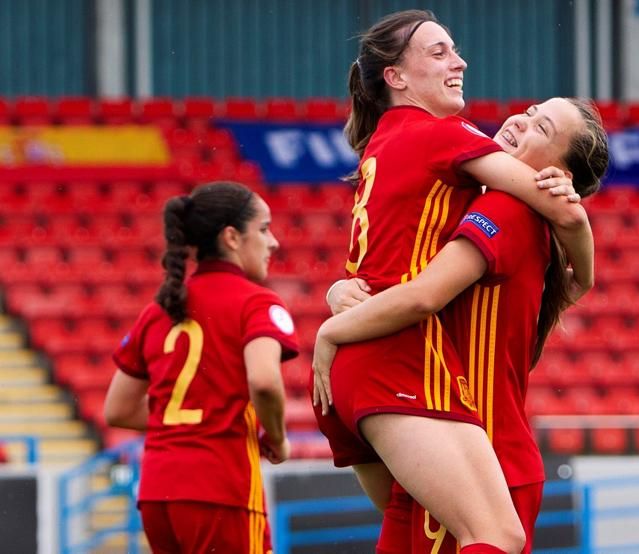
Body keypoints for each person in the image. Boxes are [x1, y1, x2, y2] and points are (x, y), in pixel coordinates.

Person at [311, 9, 595, 554]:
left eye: (541, 127)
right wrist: (338, 299)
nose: (521, 120)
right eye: (529, 111)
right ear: (395, 76)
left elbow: (415, 285)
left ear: (558, 175)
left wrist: (335, 316)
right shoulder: (461, 171)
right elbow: (417, 285)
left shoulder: (493, 201)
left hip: (428, 404)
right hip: (420, 391)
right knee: (492, 535)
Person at [103, 181, 297, 554]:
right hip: (221, 488)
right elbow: (264, 381)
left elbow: (118, 410)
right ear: (232, 237)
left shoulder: (157, 310)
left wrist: (195, 418)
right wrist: (277, 438)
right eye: (263, 229)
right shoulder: (256, 303)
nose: (273, 242)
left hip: (158, 493)